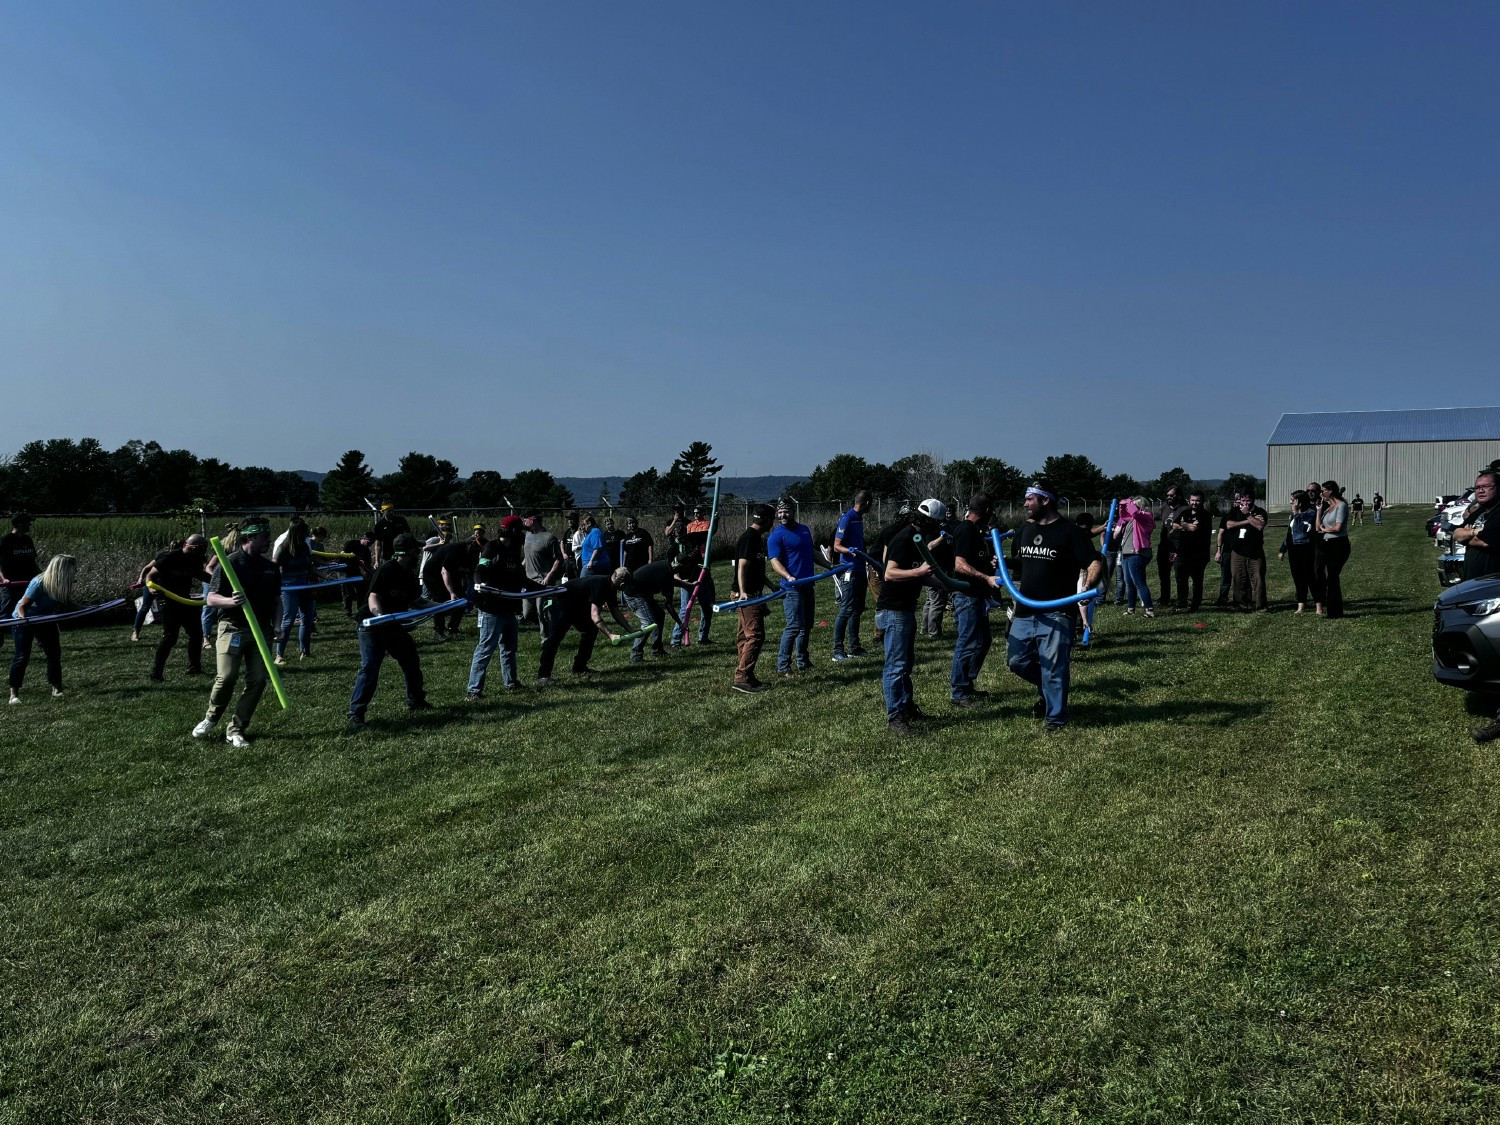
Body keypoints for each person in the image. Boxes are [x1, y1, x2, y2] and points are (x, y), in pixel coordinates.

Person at [1006, 481, 1102, 732]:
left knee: (1054, 668)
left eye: (1030, 499)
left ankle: (1056, 719)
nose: (1026, 504)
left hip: (1058, 611)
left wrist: (1086, 586)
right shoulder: (1024, 530)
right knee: (1017, 661)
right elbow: (1025, 561)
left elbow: (1094, 561)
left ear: (1046, 500)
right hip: (1025, 610)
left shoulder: (1070, 533)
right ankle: (1049, 693)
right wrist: (1005, 561)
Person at [193, 516, 281, 749]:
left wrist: (278, 625)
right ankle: (211, 717)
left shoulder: (270, 568)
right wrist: (231, 601)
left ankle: (236, 729)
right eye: (264, 537)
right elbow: (211, 598)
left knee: (259, 680)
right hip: (232, 628)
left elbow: (276, 601)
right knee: (227, 677)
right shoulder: (230, 563)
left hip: (261, 631)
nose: (268, 541)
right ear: (250, 537)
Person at [347, 533, 431, 730]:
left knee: (411, 660)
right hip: (372, 625)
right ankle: (356, 714)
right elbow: (373, 596)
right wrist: (379, 616)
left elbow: (417, 602)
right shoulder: (387, 569)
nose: (419, 553)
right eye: (416, 550)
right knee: (370, 668)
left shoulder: (409, 574)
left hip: (392, 625)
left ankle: (416, 701)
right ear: (409, 551)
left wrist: (445, 605)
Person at [877, 501, 939, 735]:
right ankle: (896, 719)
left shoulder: (917, 539)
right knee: (896, 666)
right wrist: (920, 572)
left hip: (904, 610)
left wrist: (945, 584)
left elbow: (918, 576)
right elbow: (890, 573)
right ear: (930, 521)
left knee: (905, 664)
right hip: (894, 611)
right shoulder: (905, 539)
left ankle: (907, 707)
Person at [466, 517, 527, 700]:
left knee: (509, 647)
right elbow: (479, 570)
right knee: (485, 648)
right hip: (491, 608)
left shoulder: (514, 551)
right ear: (511, 531)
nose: (521, 534)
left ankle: (511, 682)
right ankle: (474, 690)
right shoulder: (492, 548)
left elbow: (520, 578)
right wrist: (480, 585)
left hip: (508, 608)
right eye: (519, 530)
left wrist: (542, 589)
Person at [949, 493, 1000, 706]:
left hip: (977, 596)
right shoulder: (965, 530)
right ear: (987, 511)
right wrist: (986, 577)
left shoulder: (976, 532)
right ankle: (959, 692)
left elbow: (974, 559)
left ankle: (967, 684)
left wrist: (990, 563)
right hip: (967, 596)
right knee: (968, 642)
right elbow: (959, 564)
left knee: (983, 641)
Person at [536, 569, 632, 684]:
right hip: (561, 603)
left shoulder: (611, 587)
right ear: (621, 582)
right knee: (554, 638)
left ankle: (580, 667)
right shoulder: (600, 585)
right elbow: (595, 615)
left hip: (577, 606)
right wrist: (610, 635)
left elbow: (616, 612)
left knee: (590, 630)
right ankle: (543, 676)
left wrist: (630, 629)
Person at [8, 554, 76, 704]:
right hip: (24, 619)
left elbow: (66, 602)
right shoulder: (39, 582)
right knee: (22, 656)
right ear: (62, 569)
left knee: (54, 653)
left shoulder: (62, 583)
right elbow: (22, 606)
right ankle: (13, 694)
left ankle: (56, 689)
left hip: (45, 619)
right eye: (72, 569)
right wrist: (23, 619)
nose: (75, 572)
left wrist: (85, 609)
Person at [145, 534, 212, 680]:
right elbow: (150, 576)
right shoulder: (170, 557)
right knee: (170, 637)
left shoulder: (196, 559)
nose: (200, 551)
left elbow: (199, 574)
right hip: (168, 601)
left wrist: (218, 580)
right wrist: (151, 589)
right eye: (198, 548)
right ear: (186, 545)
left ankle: (194, 668)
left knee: (196, 634)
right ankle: (156, 674)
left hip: (185, 600)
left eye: (202, 549)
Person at [767, 501, 816, 676]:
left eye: (786, 511)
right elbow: (774, 562)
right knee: (794, 626)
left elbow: (811, 552)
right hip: (791, 588)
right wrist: (788, 577)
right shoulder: (776, 536)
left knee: (807, 625)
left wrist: (829, 565)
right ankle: (783, 666)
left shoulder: (804, 530)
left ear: (793, 511)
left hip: (808, 584)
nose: (782, 515)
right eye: (779, 512)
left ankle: (803, 661)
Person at [729, 504, 774, 693]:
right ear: (766, 521)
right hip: (747, 595)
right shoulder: (749, 538)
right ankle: (742, 677)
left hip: (752, 592)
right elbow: (742, 567)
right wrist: (743, 591)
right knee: (755, 635)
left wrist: (771, 586)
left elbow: (756, 569)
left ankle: (748, 674)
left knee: (744, 636)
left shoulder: (756, 538)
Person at [617, 557, 689, 663]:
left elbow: (673, 581)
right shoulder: (666, 574)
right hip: (633, 594)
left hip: (643, 593)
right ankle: (636, 655)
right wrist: (680, 624)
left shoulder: (666, 567)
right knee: (648, 623)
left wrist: (689, 585)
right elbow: (669, 606)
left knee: (659, 615)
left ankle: (657, 650)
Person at [272, 516, 319, 664]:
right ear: (298, 532)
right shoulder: (283, 547)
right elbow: (274, 567)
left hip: (305, 584)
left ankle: (305, 651)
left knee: (307, 619)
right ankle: (279, 655)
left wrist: (324, 575)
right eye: (305, 530)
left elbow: (309, 564)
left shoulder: (304, 546)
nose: (308, 533)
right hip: (289, 586)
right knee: (288, 620)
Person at [831, 490, 871, 661]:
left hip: (861, 569)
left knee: (858, 609)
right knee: (846, 609)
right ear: (867, 503)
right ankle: (837, 650)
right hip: (850, 570)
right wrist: (850, 552)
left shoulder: (859, 519)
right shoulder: (847, 518)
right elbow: (836, 546)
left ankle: (854, 646)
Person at [672, 504, 716, 646]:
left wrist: (716, 521)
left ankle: (703, 637)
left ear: (686, 532)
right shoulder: (673, 550)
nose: (681, 536)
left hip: (702, 575)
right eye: (678, 534)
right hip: (687, 581)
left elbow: (709, 534)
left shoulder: (693, 539)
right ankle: (676, 639)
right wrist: (683, 582)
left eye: (683, 533)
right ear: (675, 535)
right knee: (685, 609)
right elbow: (674, 571)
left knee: (707, 608)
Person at [0, 513, 40, 654]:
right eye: (28, 522)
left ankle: (39, 639)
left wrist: (41, 577)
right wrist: (4, 579)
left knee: (32, 610)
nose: (30, 525)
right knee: (5, 613)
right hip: (11, 584)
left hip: (28, 583)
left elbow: (33, 562)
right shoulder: (6, 541)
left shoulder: (27, 540)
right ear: (20, 524)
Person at [521, 512, 565, 640]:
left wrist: (549, 576)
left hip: (542, 581)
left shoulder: (549, 538)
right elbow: (528, 556)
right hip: (527, 580)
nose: (524, 522)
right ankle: (550, 627)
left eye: (525, 519)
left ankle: (546, 640)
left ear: (533, 519)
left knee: (542, 612)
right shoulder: (528, 535)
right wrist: (520, 567)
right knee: (527, 613)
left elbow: (559, 559)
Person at [1224, 492, 1269, 611]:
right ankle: (1241, 604)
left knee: (1258, 579)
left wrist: (1248, 515)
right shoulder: (1234, 511)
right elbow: (1229, 525)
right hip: (1238, 551)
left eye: (1247, 501)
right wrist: (1249, 521)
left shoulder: (1260, 511)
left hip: (1255, 552)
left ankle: (1261, 605)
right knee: (1238, 578)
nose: (1244, 503)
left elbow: (1259, 526)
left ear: (1253, 499)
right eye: (1242, 501)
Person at [427, 536, 479, 639]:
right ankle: (439, 631)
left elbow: (470, 572)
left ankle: (453, 628)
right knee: (440, 601)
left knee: (462, 600)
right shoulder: (456, 549)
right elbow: (444, 571)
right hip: (433, 574)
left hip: (452, 574)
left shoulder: (473, 554)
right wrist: (451, 592)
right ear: (469, 544)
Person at [1277, 491, 1321, 614]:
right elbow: (1290, 533)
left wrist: (1296, 513)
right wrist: (1283, 549)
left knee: (1311, 577)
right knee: (1298, 577)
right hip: (1294, 549)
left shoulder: (1311, 513)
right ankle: (1301, 605)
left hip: (1306, 548)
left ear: (1299, 501)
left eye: (1293, 500)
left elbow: (1304, 529)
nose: (1291, 502)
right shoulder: (1293, 515)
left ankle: (1319, 605)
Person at [1113, 497, 1156, 617]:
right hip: (1126, 553)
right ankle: (1131, 608)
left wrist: (1129, 501)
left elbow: (1135, 513)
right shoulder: (1131, 519)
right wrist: (1122, 505)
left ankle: (1149, 610)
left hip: (1136, 554)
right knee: (1129, 583)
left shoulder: (1145, 517)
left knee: (1139, 583)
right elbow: (1123, 515)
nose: (1130, 508)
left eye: (1134, 506)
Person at [1314, 481, 1351, 619]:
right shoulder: (1328, 508)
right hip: (1326, 544)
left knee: (1333, 577)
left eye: (1324, 490)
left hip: (1338, 545)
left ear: (1331, 491)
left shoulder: (1341, 506)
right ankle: (1332, 610)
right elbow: (1317, 527)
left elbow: (1338, 528)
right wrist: (1318, 511)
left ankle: (1335, 611)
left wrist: (1325, 529)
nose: (1321, 493)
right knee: (1324, 576)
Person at [1170, 491, 1213, 611]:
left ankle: (1195, 604)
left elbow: (1194, 529)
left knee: (1197, 581)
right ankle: (1182, 602)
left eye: (1197, 500)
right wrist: (1187, 526)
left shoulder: (1205, 515)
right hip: (1183, 552)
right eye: (1193, 500)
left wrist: (1183, 526)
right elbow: (1174, 525)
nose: (1194, 503)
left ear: (1202, 501)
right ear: (1189, 500)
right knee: (1180, 579)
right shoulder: (1185, 512)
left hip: (1199, 554)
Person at [1155, 487, 1184, 604]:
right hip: (1164, 545)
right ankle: (1164, 598)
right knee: (1163, 573)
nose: (1169, 497)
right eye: (1167, 495)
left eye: (1172, 495)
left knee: (1179, 574)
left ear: (1179, 496)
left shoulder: (1184, 509)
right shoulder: (1164, 508)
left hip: (1178, 546)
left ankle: (1181, 599)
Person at [370, 502, 412, 569]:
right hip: (387, 556)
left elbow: (409, 536)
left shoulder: (401, 520)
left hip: (402, 554)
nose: (391, 512)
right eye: (389, 511)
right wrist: (377, 561)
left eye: (392, 510)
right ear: (383, 511)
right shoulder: (379, 525)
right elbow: (378, 545)